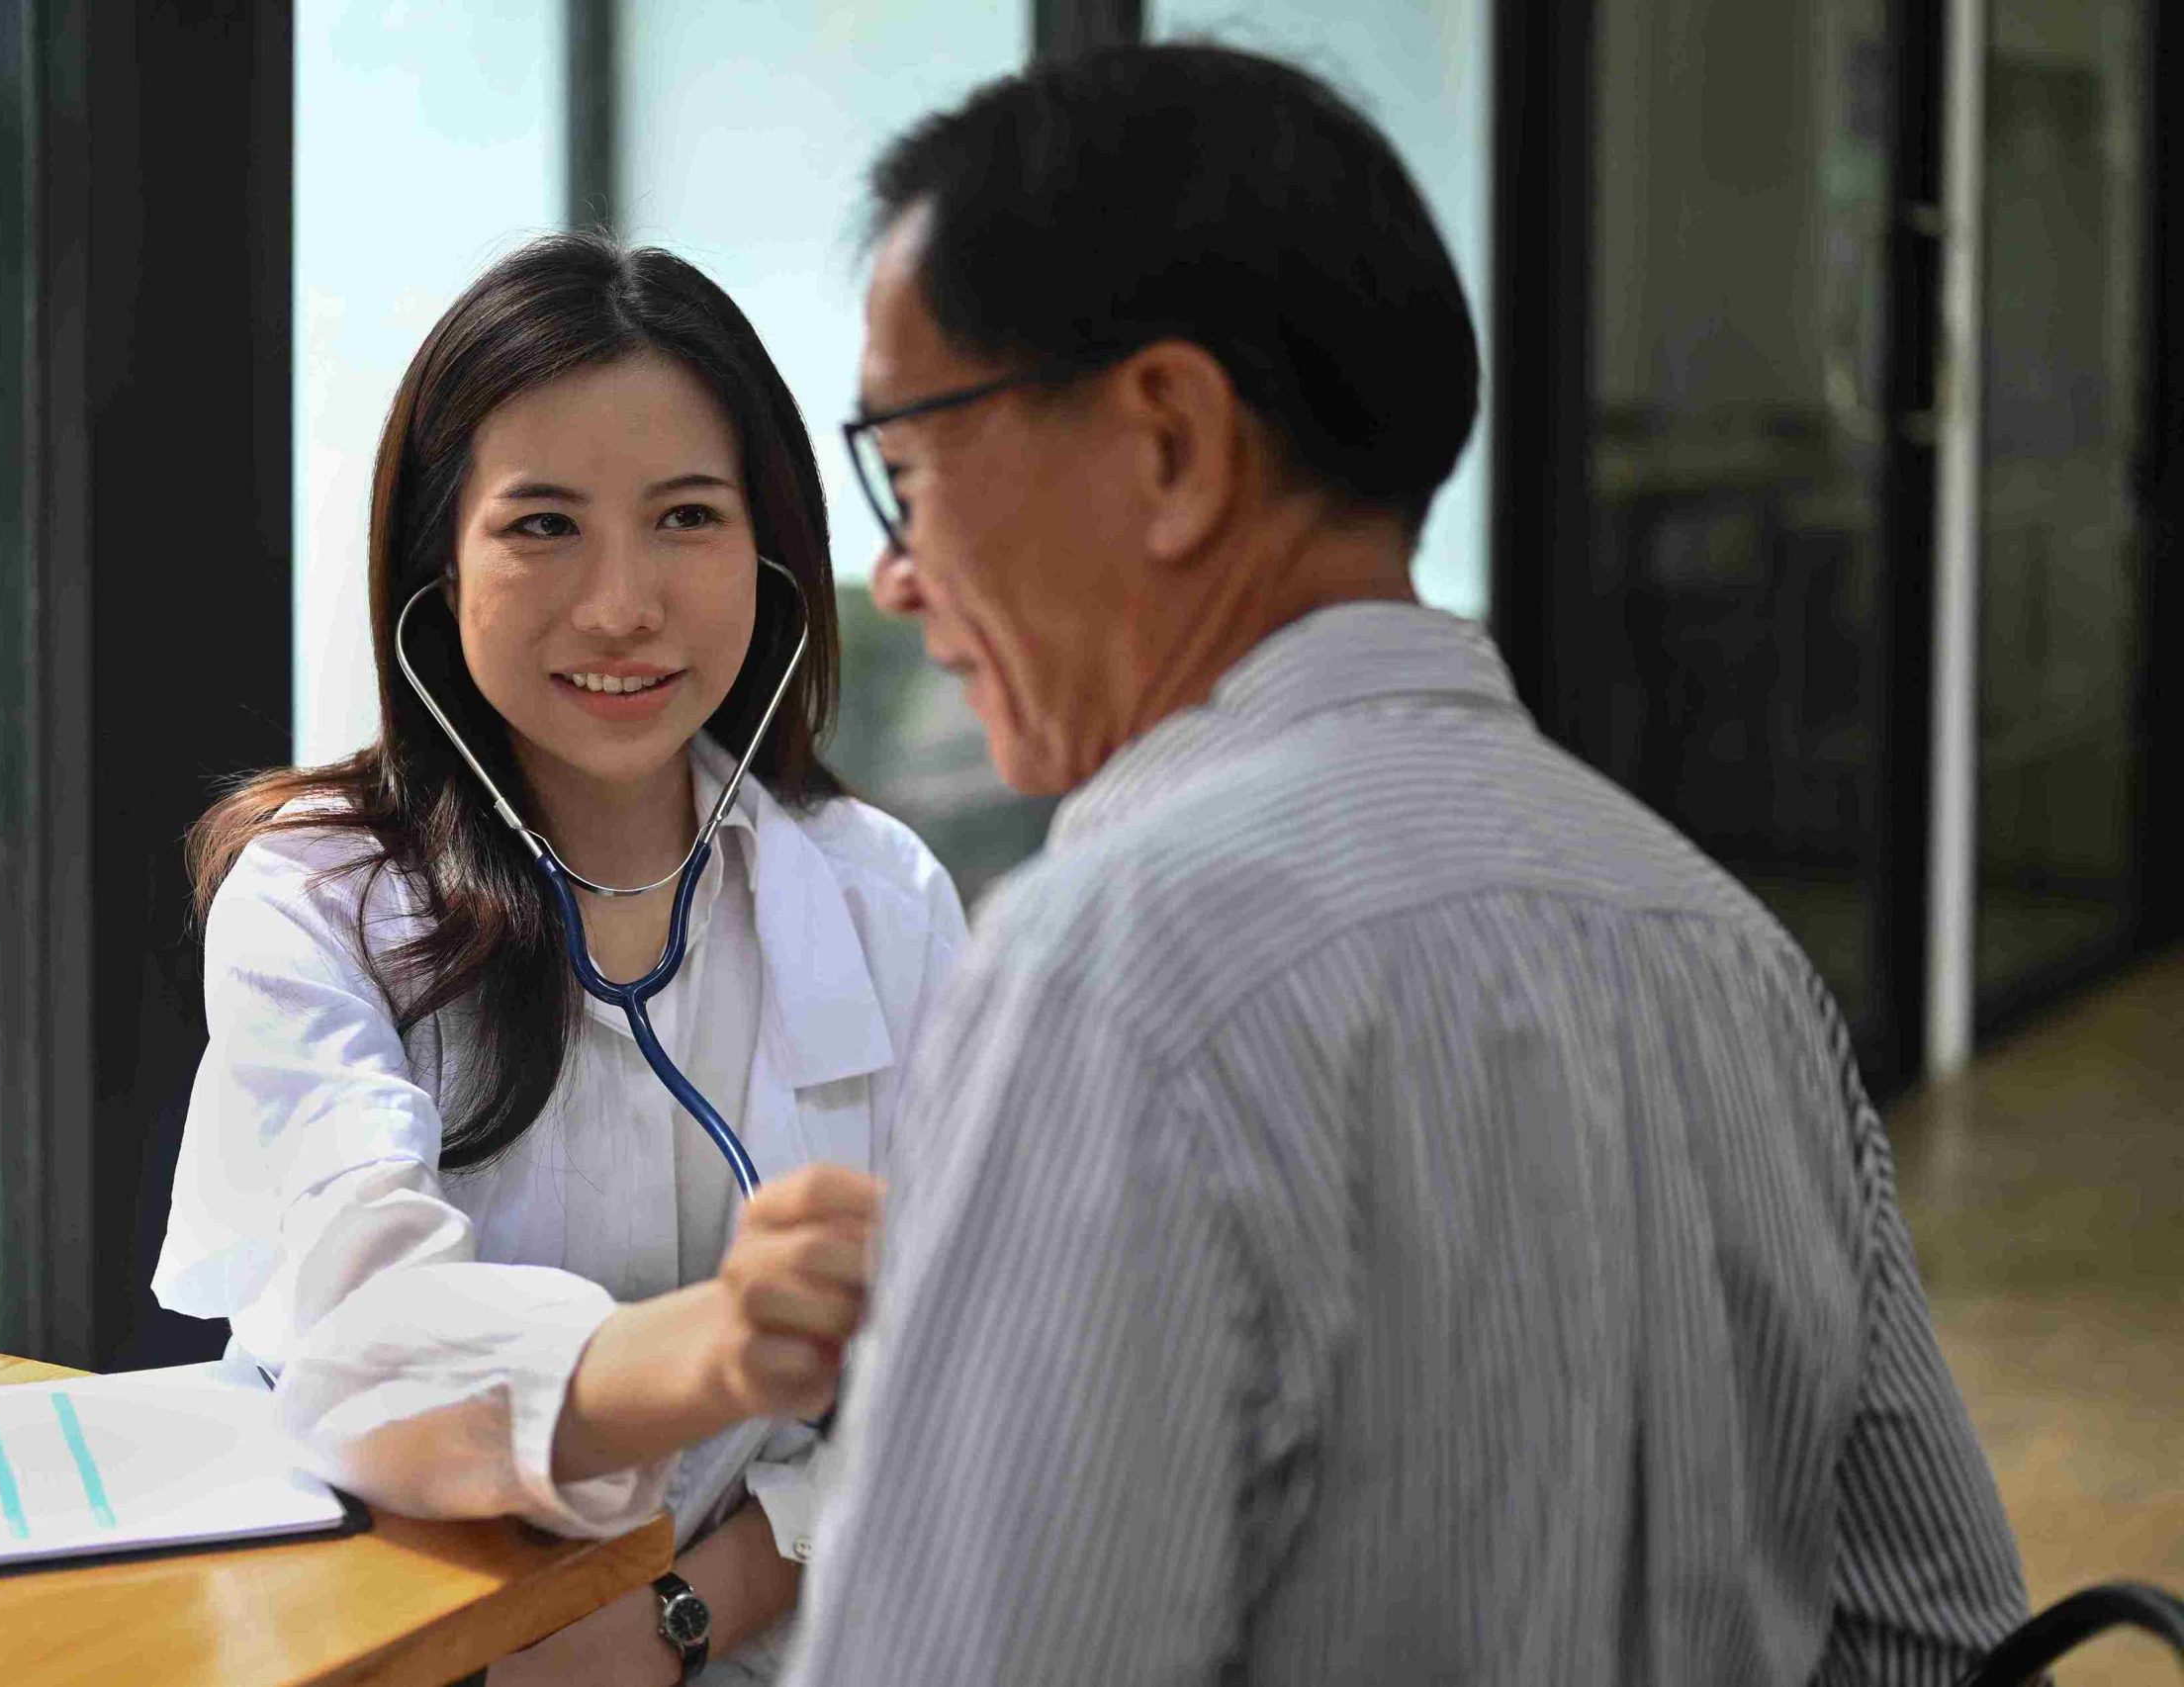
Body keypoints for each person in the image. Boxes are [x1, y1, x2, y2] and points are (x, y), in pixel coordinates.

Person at [780, 43, 2030, 1686]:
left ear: (1169, 441)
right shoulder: (1728, 947)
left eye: (913, 463)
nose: (898, 567)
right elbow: (1945, 1644)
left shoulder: (1112, 964)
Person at [152, 233, 966, 1685]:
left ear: (768, 548)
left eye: (685, 518)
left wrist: (677, 1613)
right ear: (437, 563)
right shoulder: (313, 900)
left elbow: (957, 1397)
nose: (620, 605)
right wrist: (714, 1349)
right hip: (379, 1642)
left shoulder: (880, 895)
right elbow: (366, 1328)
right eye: (542, 526)